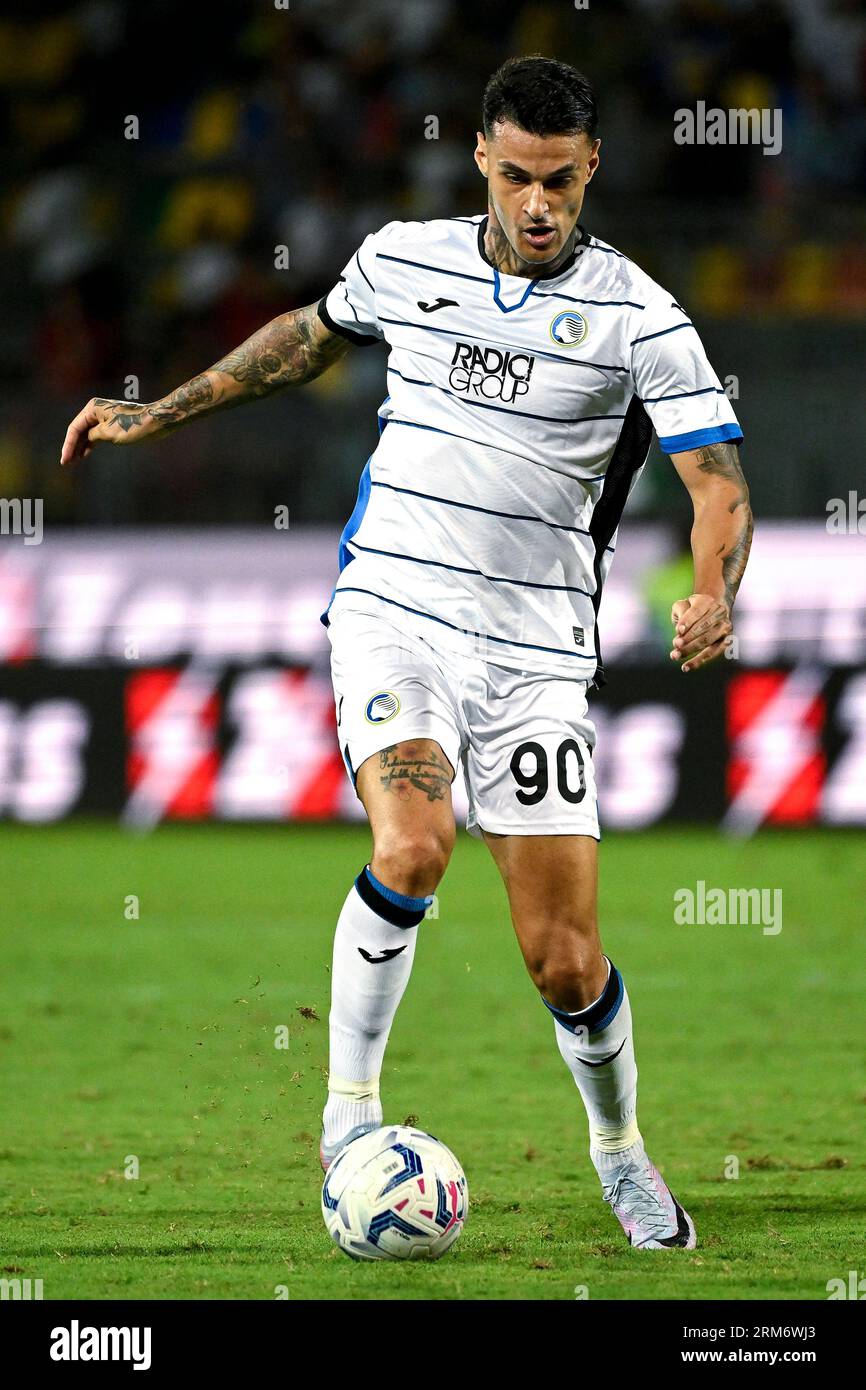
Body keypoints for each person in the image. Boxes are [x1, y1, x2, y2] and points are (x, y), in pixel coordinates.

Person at [61, 55, 752, 1250]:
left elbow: (717, 482)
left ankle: (617, 1151)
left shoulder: (640, 316)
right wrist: (157, 408)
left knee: (563, 962)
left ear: (590, 172)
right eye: (519, 177)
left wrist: (707, 589)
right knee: (413, 842)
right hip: (394, 607)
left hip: (537, 645)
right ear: (480, 157)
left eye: (564, 184)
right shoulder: (402, 257)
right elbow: (305, 335)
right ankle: (347, 1117)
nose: (539, 207)